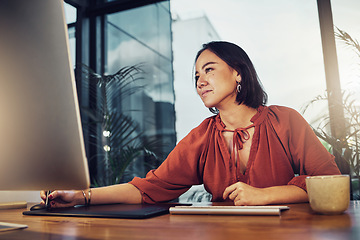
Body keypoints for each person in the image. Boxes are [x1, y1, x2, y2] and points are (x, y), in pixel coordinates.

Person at [41, 41, 341, 208]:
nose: (201, 81)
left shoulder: (284, 120)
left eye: (209, 70)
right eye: (197, 76)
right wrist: (81, 196)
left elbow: (329, 181)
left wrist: (266, 194)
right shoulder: (201, 136)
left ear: (238, 73)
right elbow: (151, 187)